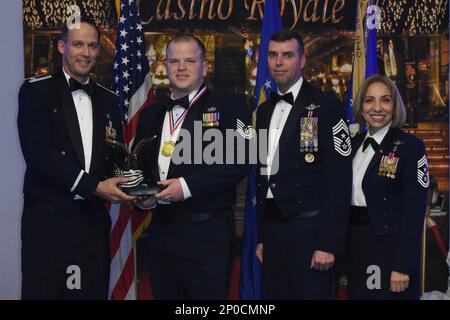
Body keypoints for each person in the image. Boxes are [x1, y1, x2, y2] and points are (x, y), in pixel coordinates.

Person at [17, 18, 135, 299]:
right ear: (62, 46)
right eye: (78, 44)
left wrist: (138, 186)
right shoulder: (36, 91)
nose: (85, 52)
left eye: (92, 46)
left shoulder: (110, 100)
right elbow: (38, 156)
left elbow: (114, 157)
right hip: (48, 222)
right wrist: (94, 186)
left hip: (92, 224)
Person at [133, 35, 250, 299]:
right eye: (174, 61)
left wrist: (184, 187)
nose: (181, 67)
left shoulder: (229, 107)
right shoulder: (151, 113)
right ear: (165, 65)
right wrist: (141, 198)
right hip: (161, 231)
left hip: (206, 233)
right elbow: (141, 166)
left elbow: (241, 161)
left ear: (204, 67)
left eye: (189, 60)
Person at [254, 29, 352, 299]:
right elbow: (263, 178)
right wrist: (263, 237)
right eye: (273, 55)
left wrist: (328, 243)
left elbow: (339, 178)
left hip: (311, 233)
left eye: (287, 55)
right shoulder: (263, 112)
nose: (279, 62)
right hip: (273, 231)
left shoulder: (326, 105)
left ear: (302, 59)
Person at [347, 74, 429, 299]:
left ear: (394, 106)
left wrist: (403, 265)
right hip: (356, 245)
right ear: (361, 106)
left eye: (385, 100)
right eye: (369, 100)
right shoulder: (352, 145)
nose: (377, 107)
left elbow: (415, 212)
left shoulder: (410, 148)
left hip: (389, 249)